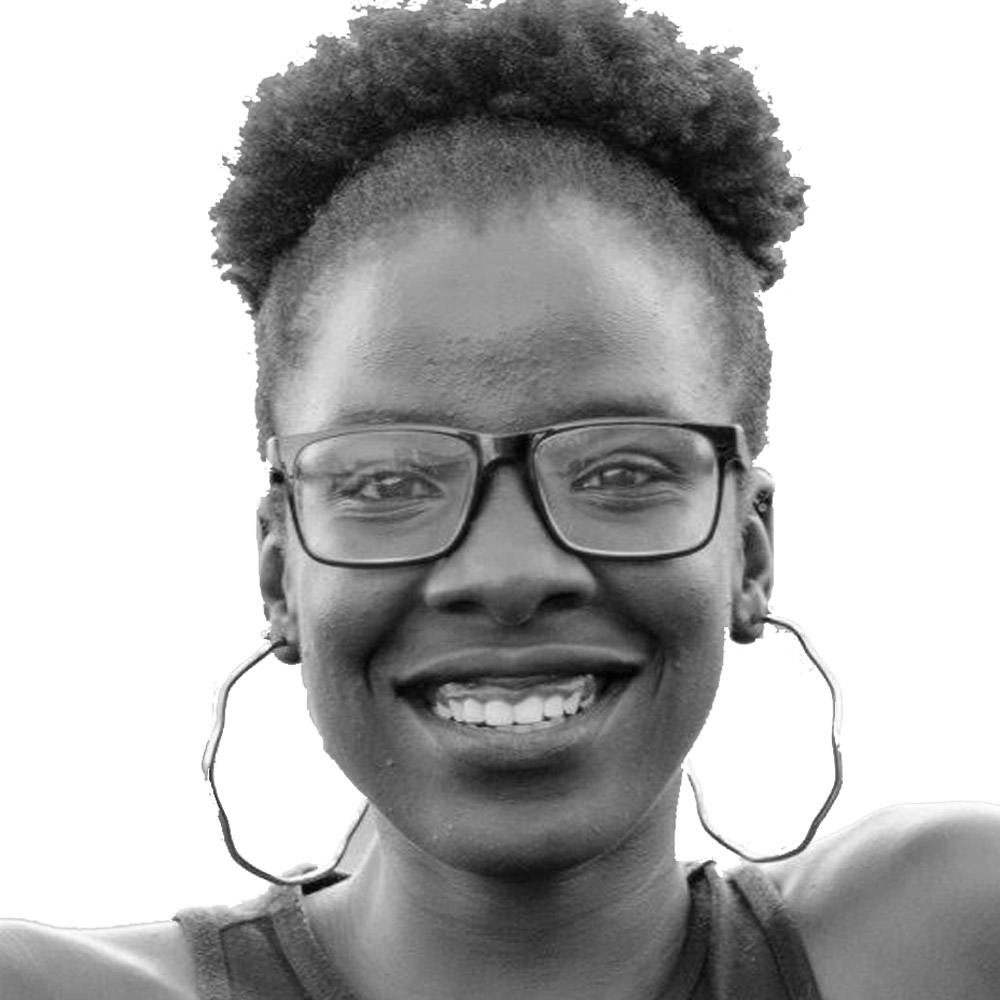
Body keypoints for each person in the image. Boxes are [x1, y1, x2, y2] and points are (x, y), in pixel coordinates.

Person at [2, 0, 998, 997]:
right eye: (385, 481)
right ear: (279, 573)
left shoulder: (944, 943)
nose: (509, 573)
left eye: (621, 472)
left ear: (750, 550)